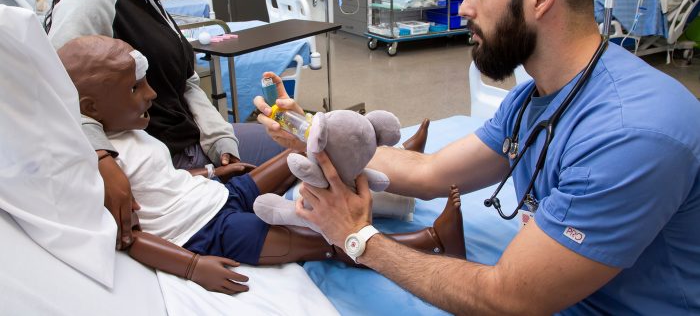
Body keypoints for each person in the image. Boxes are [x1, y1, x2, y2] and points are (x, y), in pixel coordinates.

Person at [255, 0, 700, 314]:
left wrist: (358, 238)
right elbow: (431, 175)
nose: (463, 6)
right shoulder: (535, 98)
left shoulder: (631, 134)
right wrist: (312, 128)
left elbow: (508, 298)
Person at [57, 34, 467, 293]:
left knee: (299, 153)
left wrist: (211, 172)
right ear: (90, 108)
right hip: (209, 233)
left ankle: (377, 146)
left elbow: (159, 178)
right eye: (135, 87)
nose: (150, 94)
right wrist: (193, 266)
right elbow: (127, 238)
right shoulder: (95, 163)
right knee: (325, 240)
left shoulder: (127, 131)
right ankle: (429, 240)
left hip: (218, 193)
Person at [45, 0, 285, 250]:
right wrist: (102, 159)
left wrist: (221, 141)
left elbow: (187, 82)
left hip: (195, 144)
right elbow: (58, 95)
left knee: (305, 147)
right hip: (162, 161)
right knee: (306, 155)